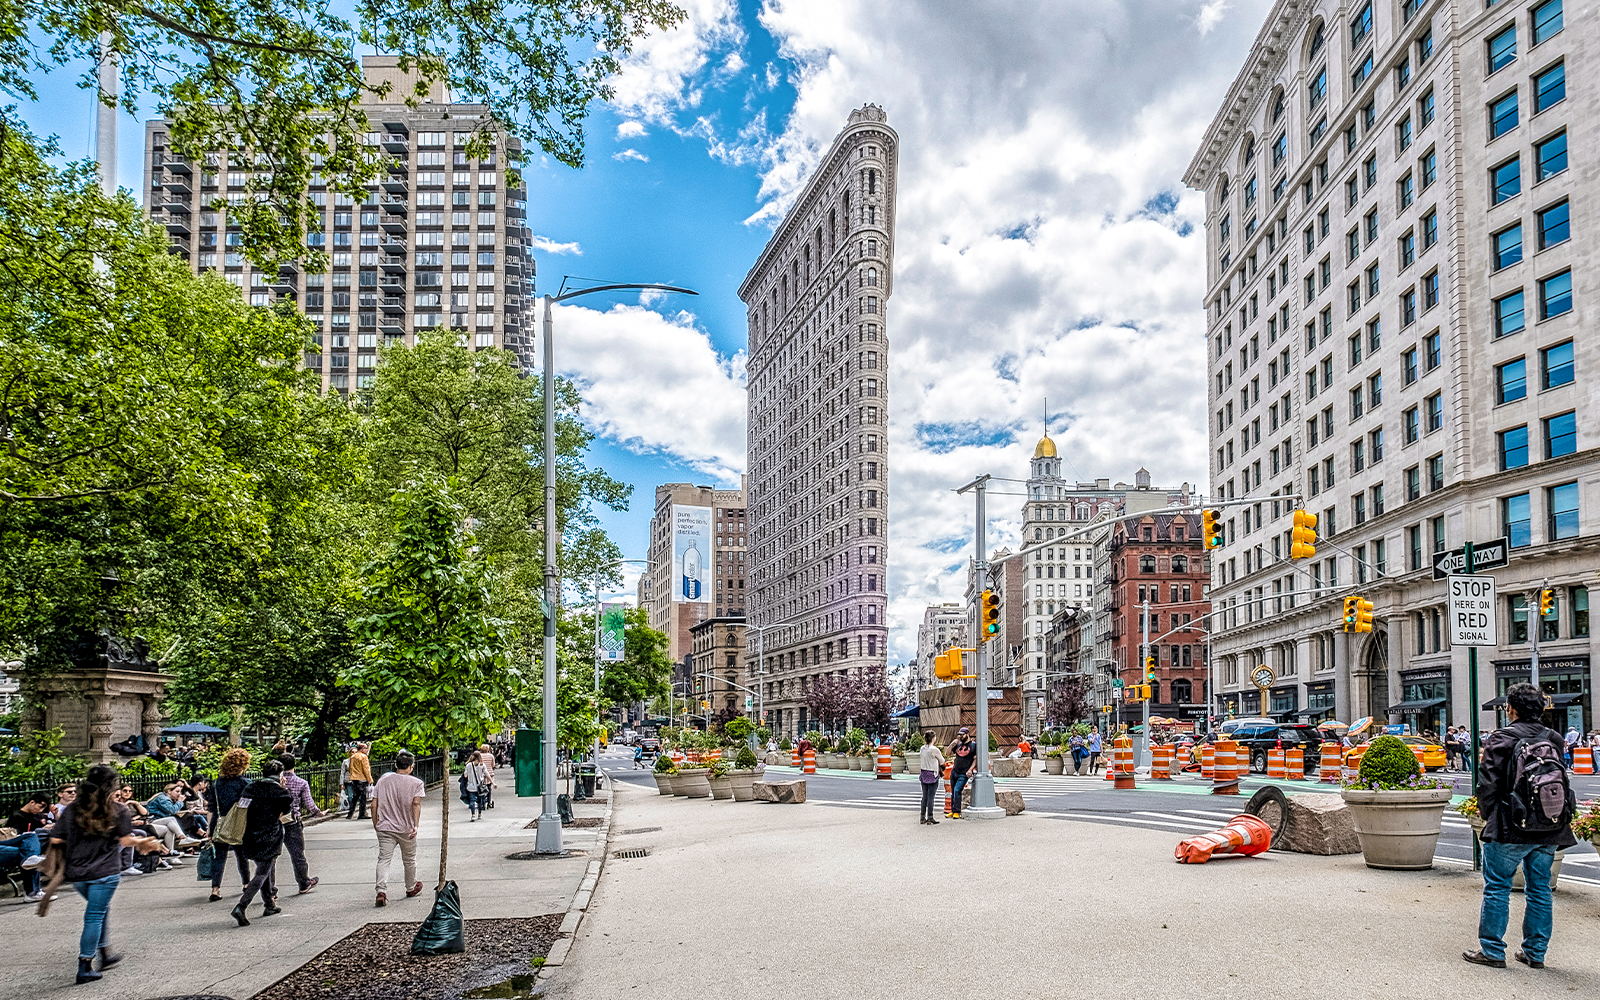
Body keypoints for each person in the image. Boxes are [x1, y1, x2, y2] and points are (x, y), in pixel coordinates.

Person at [1462, 683, 1576, 970]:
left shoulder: (1501, 738)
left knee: (1497, 886)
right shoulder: (1553, 738)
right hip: (1549, 824)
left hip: (1510, 824)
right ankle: (1535, 953)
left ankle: (1492, 950)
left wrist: (1488, 815)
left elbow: (1487, 784)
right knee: (1540, 889)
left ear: (1510, 709)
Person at [48, 765, 163, 984]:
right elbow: (126, 840)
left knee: (100, 909)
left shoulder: (73, 809)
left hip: (77, 872)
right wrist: (144, 841)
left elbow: (55, 839)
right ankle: (85, 965)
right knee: (94, 915)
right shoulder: (118, 810)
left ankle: (104, 952)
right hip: (104, 870)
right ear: (111, 786)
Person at [231, 758, 293, 927]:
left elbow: (241, 807)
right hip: (270, 835)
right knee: (263, 871)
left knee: (264, 868)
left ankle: (269, 905)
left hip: (250, 833)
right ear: (279, 774)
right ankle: (241, 906)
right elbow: (286, 809)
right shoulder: (281, 792)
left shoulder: (251, 788)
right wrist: (283, 787)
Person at [372, 750, 426, 906]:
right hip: (406, 828)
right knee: (409, 859)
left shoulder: (382, 781)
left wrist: (376, 823)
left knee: (384, 859)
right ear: (411, 767)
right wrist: (415, 825)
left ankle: (381, 890)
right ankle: (411, 887)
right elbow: (416, 804)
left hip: (385, 827)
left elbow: (374, 804)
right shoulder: (416, 783)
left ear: (396, 765)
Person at [206, 748, 254, 902]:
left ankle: (215, 888)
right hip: (239, 824)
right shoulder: (245, 783)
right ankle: (246, 883)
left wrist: (209, 828)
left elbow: (211, 808)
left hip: (219, 822)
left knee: (219, 857)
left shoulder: (216, 784)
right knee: (241, 856)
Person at [279, 755, 323, 895]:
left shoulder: (274, 782)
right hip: (292, 821)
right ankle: (303, 882)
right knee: (297, 854)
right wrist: (318, 812)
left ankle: (270, 890)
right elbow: (309, 803)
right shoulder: (301, 782)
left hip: (274, 822)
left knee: (271, 858)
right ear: (294, 764)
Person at [917, 730, 946, 825]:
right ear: (934, 738)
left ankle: (922, 817)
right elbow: (942, 761)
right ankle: (930, 817)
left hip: (923, 773)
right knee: (931, 797)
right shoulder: (935, 750)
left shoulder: (922, 748)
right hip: (933, 773)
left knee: (924, 797)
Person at [948, 728, 975, 819]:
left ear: (967, 734)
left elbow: (975, 759)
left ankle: (957, 811)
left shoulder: (973, 745)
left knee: (957, 790)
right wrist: (952, 744)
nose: (961, 736)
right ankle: (952, 810)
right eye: (960, 735)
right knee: (953, 791)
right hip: (955, 770)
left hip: (964, 772)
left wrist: (970, 770)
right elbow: (948, 753)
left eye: (962, 735)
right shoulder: (958, 745)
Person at [346, 743, 373, 820]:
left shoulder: (353, 757)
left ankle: (350, 813)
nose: (366, 750)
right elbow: (366, 769)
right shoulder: (364, 757)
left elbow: (350, 768)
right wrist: (370, 779)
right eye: (365, 748)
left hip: (354, 779)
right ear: (362, 749)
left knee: (355, 797)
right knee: (363, 797)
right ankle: (362, 813)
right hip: (362, 779)